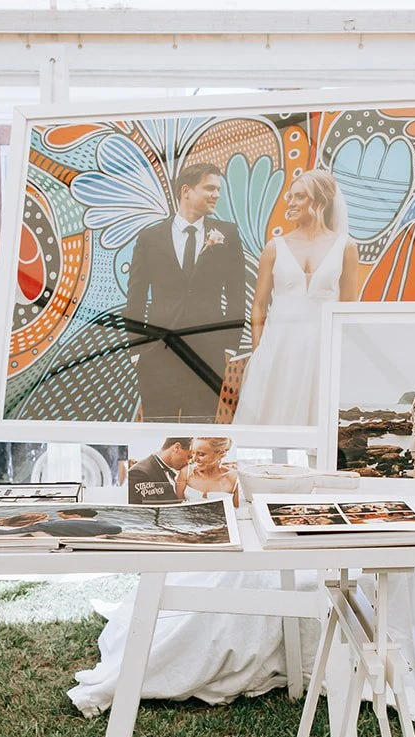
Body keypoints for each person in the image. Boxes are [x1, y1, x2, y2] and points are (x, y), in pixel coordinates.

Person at [123, 161, 247, 422]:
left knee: (200, 430)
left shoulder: (228, 234)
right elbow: (135, 298)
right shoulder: (149, 238)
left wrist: (229, 348)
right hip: (157, 353)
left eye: (218, 189)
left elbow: (236, 295)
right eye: (210, 188)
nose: (216, 195)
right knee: (158, 429)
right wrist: (136, 350)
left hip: (207, 355)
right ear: (186, 191)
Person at [233, 170, 358, 426]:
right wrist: (259, 351)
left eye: (299, 196)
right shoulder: (274, 247)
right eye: (291, 196)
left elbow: (348, 306)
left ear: (320, 200)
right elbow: (258, 304)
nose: (290, 202)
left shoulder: (345, 247)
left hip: (320, 345)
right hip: (277, 345)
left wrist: (341, 352)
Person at [174, 436, 240, 506]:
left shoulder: (233, 478)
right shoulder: (185, 473)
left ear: (221, 453)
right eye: (193, 453)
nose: (194, 459)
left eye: (201, 454)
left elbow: (236, 510)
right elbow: (178, 505)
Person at [127, 437, 191, 503]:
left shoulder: (172, 473)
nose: (188, 462)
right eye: (189, 457)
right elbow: (141, 511)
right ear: (176, 448)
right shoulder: (139, 473)